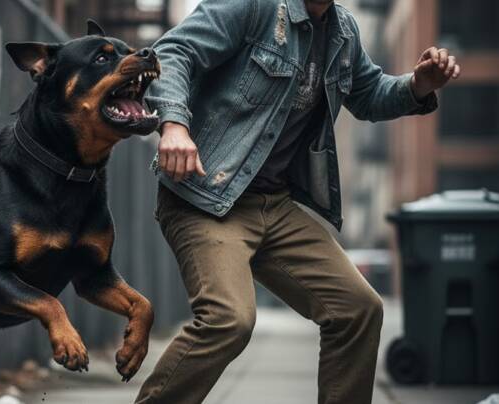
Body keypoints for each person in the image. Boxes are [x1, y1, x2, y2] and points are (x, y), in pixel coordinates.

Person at [136, 0, 460, 403]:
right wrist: (174, 125)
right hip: (206, 196)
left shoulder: (343, 33)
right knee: (228, 319)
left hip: (274, 205)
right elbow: (171, 53)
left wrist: (418, 85)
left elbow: (370, 94)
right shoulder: (251, 7)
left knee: (357, 310)